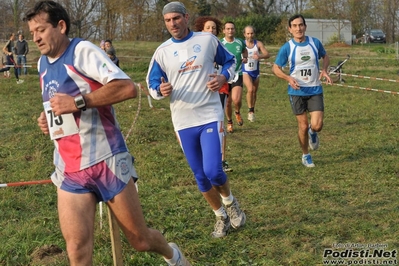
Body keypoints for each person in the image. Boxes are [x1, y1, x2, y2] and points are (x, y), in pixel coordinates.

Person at [23, 2, 190, 266]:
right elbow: (57, 102)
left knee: (140, 240)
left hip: (106, 159)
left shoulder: (82, 51)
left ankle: (173, 255)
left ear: (61, 26)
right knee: (77, 249)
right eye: (32, 32)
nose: (35, 38)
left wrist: (79, 102)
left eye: (41, 30)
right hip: (70, 168)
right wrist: (46, 118)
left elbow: (127, 88)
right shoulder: (42, 63)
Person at [147, 2, 246, 238]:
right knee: (200, 176)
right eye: (168, 20)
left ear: (186, 17)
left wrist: (223, 77)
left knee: (213, 170)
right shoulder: (161, 52)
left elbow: (231, 61)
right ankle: (220, 217)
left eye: (176, 18)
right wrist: (161, 90)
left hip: (210, 114)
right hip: (183, 120)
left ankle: (231, 203)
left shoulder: (207, 40)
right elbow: (151, 85)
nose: (173, 24)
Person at [272, 14, 332, 168]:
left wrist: (324, 70)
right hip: (297, 92)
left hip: (314, 89)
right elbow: (276, 68)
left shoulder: (314, 43)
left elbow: (325, 56)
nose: (298, 28)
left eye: (301, 25)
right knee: (303, 126)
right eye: (295, 26)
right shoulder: (287, 47)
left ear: (305, 26)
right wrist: (288, 78)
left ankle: (313, 132)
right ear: (290, 29)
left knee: (317, 125)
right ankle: (306, 155)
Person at [194, 16, 232, 172]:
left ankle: (222, 160)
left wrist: (222, 77)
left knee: (218, 124)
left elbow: (230, 62)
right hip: (198, 93)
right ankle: (205, 156)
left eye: (214, 28)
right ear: (201, 30)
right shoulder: (195, 47)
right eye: (208, 28)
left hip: (218, 90)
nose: (211, 30)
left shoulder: (219, 46)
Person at [221, 21, 248, 133]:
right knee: (227, 102)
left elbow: (244, 51)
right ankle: (230, 122)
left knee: (236, 100)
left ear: (234, 30)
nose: (230, 31)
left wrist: (245, 58)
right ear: (224, 31)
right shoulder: (220, 43)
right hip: (225, 75)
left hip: (237, 74)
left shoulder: (240, 42)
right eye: (228, 29)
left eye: (232, 29)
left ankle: (237, 112)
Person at [242, 25, 270, 122]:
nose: (250, 35)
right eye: (248, 33)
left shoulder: (258, 44)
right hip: (245, 71)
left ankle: (252, 110)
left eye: (252, 33)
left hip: (256, 72)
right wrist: (241, 59)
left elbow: (267, 54)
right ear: (244, 34)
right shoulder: (242, 44)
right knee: (250, 89)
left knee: (254, 92)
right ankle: (250, 112)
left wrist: (260, 56)